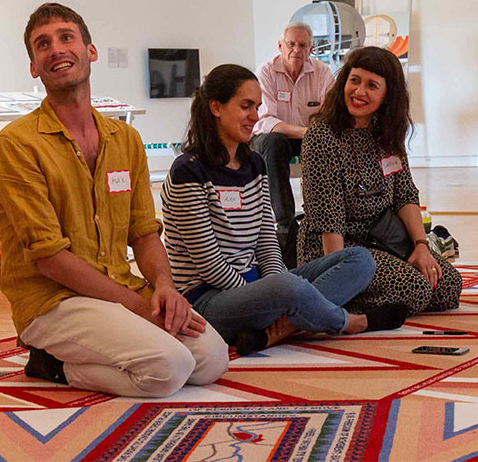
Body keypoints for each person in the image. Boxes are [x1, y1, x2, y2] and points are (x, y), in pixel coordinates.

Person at [0, 3, 228, 398]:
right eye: (42, 44)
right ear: (34, 66)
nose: (56, 49)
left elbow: (145, 232)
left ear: (90, 51)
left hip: (119, 286)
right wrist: (135, 306)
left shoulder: (125, 140)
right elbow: (49, 257)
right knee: (170, 366)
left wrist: (165, 287)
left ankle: (104, 347)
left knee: (210, 360)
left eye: (67, 37)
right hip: (52, 301)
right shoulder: (16, 144)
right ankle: (52, 364)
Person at [162, 64, 408, 355]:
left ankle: (275, 331)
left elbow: (267, 240)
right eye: (246, 107)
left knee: (360, 260)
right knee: (289, 289)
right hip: (209, 300)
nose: (255, 117)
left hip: (261, 286)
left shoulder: (254, 164)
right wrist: (271, 292)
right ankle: (351, 322)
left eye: (257, 107)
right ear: (216, 107)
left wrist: (273, 289)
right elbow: (209, 265)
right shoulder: (187, 173)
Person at [297, 46, 462, 315]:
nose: (359, 92)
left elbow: (405, 194)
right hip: (337, 246)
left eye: (372, 85)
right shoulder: (322, 136)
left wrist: (421, 246)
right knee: (414, 288)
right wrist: (339, 277)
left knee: (447, 286)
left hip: (382, 238)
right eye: (354, 81)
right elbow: (330, 218)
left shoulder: (386, 132)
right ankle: (329, 303)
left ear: (388, 95)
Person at [253, 22, 335, 267]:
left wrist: (311, 134)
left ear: (310, 49)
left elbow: (330, 113)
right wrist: (305, 131)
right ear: (281, 46)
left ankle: (318, 220)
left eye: (302, 45)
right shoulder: (266, 71)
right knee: (275, 143)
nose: (296, 50)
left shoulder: (322, 72)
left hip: (307, 138)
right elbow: (266, 119)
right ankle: (285, 223)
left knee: (323, 143)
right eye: (291, 44)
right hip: (272, 138)